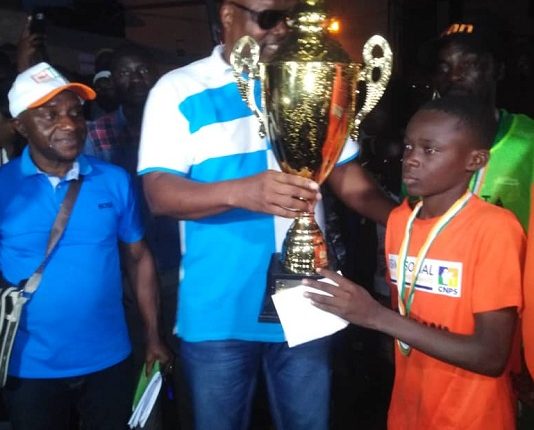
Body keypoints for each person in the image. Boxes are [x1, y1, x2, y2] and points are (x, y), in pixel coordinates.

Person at [137, 0, 395, 428]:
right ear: (228, 15)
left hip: (306, 293)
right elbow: (159, 194)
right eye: (269, 17)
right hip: (219, 306)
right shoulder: (178, 89)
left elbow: (348, 178)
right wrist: (243, 191)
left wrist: (412, 223)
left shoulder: (313, 76)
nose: (282, 29)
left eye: (289, 18)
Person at [305, 95, 526, 429]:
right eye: (408, 146)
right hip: (409, 410)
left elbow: (490, 355)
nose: (411, 159)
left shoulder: (494, 228)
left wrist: (375, 316)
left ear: (475, 160)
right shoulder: (400, 222)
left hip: (471, 416)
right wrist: (349, 306)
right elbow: (411, 313)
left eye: (430, 150)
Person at [0, 62, 170, 430]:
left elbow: (138, 258)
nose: (69, 124)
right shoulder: (4, 188)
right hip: (29, 367)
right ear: (20, 126)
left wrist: (153, 336)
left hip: (109, 359)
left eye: (75, 113)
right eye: (50, 115)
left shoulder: (113, 180)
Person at [84, 44, 181, 363]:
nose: (136, 79)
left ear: (156, 75)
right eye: (125, 72)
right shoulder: (96, 133)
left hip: (179, 258)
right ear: (112, 80)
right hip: (126, 263)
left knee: (183, 355)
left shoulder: (179, 125)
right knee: (140, 355)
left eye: (142, 71)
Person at [421, 16, 534, 231]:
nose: (454, 76)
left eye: (469, 64)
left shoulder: (529, 141)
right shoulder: (421, 144)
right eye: (444, 67)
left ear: (498, 70)